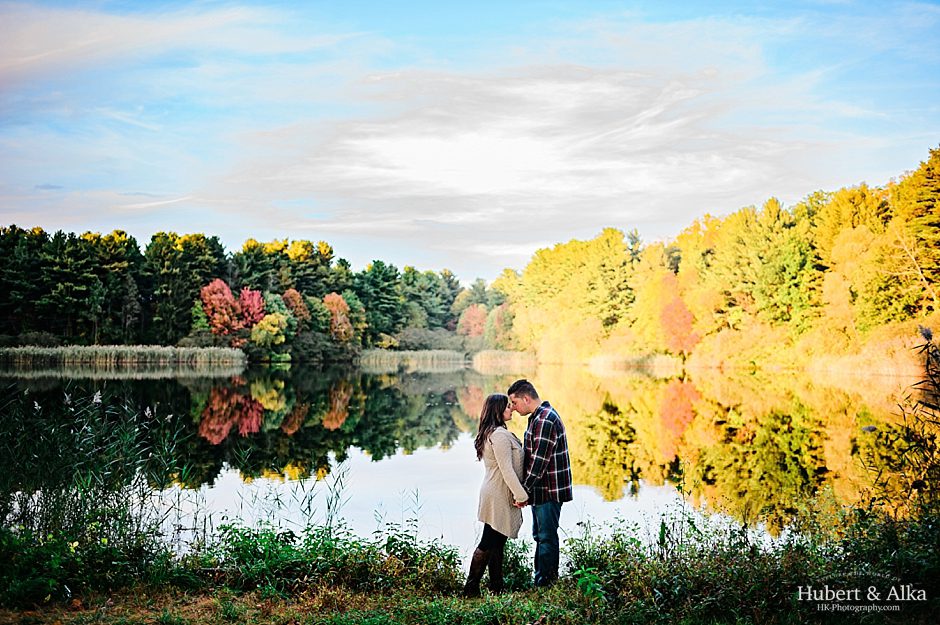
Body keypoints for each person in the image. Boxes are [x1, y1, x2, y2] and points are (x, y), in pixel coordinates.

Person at [507, 378, 572, 587]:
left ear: (526, 398)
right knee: (540, 535)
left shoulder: (545, 420)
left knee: (546, 537)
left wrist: (523, 492)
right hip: (541, 489)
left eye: (515, 403)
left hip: (549, 489)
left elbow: (539, 463)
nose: (514, 409)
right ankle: (541, 579)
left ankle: (547, 584)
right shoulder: (537, 417)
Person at [464, 393, 529, 597]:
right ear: (498, 411)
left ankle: (496, 587)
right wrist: (522, 495)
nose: (511, 409)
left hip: (497, 491)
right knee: (488, 541)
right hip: (497, 494)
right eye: (507, 407)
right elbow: (506, 470)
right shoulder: (499, 435)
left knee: (497, 542)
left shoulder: (496, 432)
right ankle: (471, 589)